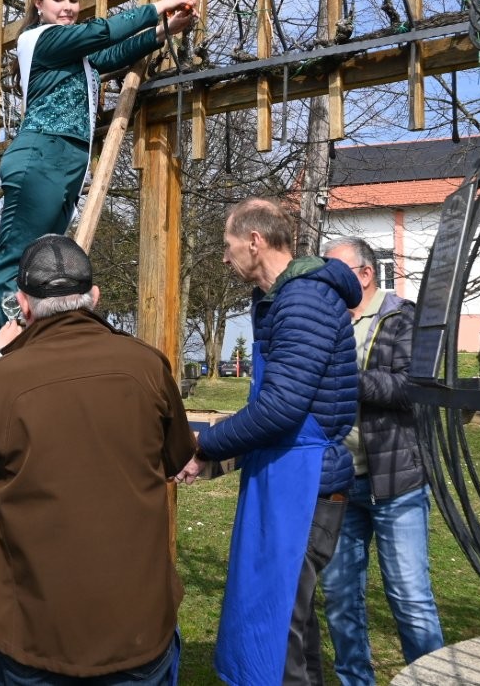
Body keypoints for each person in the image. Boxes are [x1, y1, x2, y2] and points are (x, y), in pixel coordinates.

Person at [0, 234, 197, 685]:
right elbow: (176, 457)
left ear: (23, 304)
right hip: (135, 623)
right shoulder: (148, 366)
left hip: (35, 628)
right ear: (93, 296)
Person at [0, 0, 197, 368]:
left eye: (74, 0)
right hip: (41, 155)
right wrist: (159, 6)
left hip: (64, 162)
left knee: (39, 261)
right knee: (17, 256)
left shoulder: (73, 56)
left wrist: (164, 30)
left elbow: (110, 55)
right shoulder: (40, 39)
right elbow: (101, 33)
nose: (68, 7)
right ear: (38, 4)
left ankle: (22, 345)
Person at [177, 198, 361, 686]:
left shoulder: (303, 301)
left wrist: (206, 445)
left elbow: (281, 409)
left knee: (279, 632)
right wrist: (212, 458)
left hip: (305, 485)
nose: (224, 257)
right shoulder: (282, 299)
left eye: (228, 245)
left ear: (255, 241)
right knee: (290, 624)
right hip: (282, 476)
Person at [317, 237, 444, 685]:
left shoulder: (402, 318)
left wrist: (349, 380)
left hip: (396, 481)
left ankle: (429, 680)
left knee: (410, 598)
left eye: (334, 273)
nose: (326, 283)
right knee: (340, 597)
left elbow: (414, 388)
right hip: (339, 481)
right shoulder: (327, 320)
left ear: (365, 274)